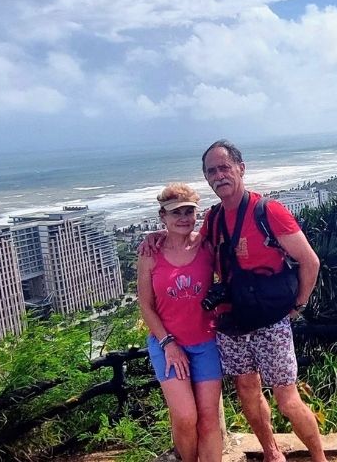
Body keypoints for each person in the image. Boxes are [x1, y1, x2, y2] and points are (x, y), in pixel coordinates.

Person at [198, 139, 327, 462]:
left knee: (288, 399)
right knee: (246, 392)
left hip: (270, 320)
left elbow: (310, 262)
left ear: (241, 168)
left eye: (225, 167)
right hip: (233, 320)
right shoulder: (212, 220)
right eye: (211, 171)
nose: (219, 176)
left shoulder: (267, 211)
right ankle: (271, 452)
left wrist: (298, 304)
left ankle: (320, 458)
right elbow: (193, 253)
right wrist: (156, 242)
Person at [137, 183, 224, 462]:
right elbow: (146, 306)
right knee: (185, 416)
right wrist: (168, 343)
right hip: (167, 345)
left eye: (189, 211)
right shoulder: (150, 253)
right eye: (176, 213)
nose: (184, 218)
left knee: (209, 420)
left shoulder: (206, 246)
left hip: (205, 341)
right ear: (163, 216)